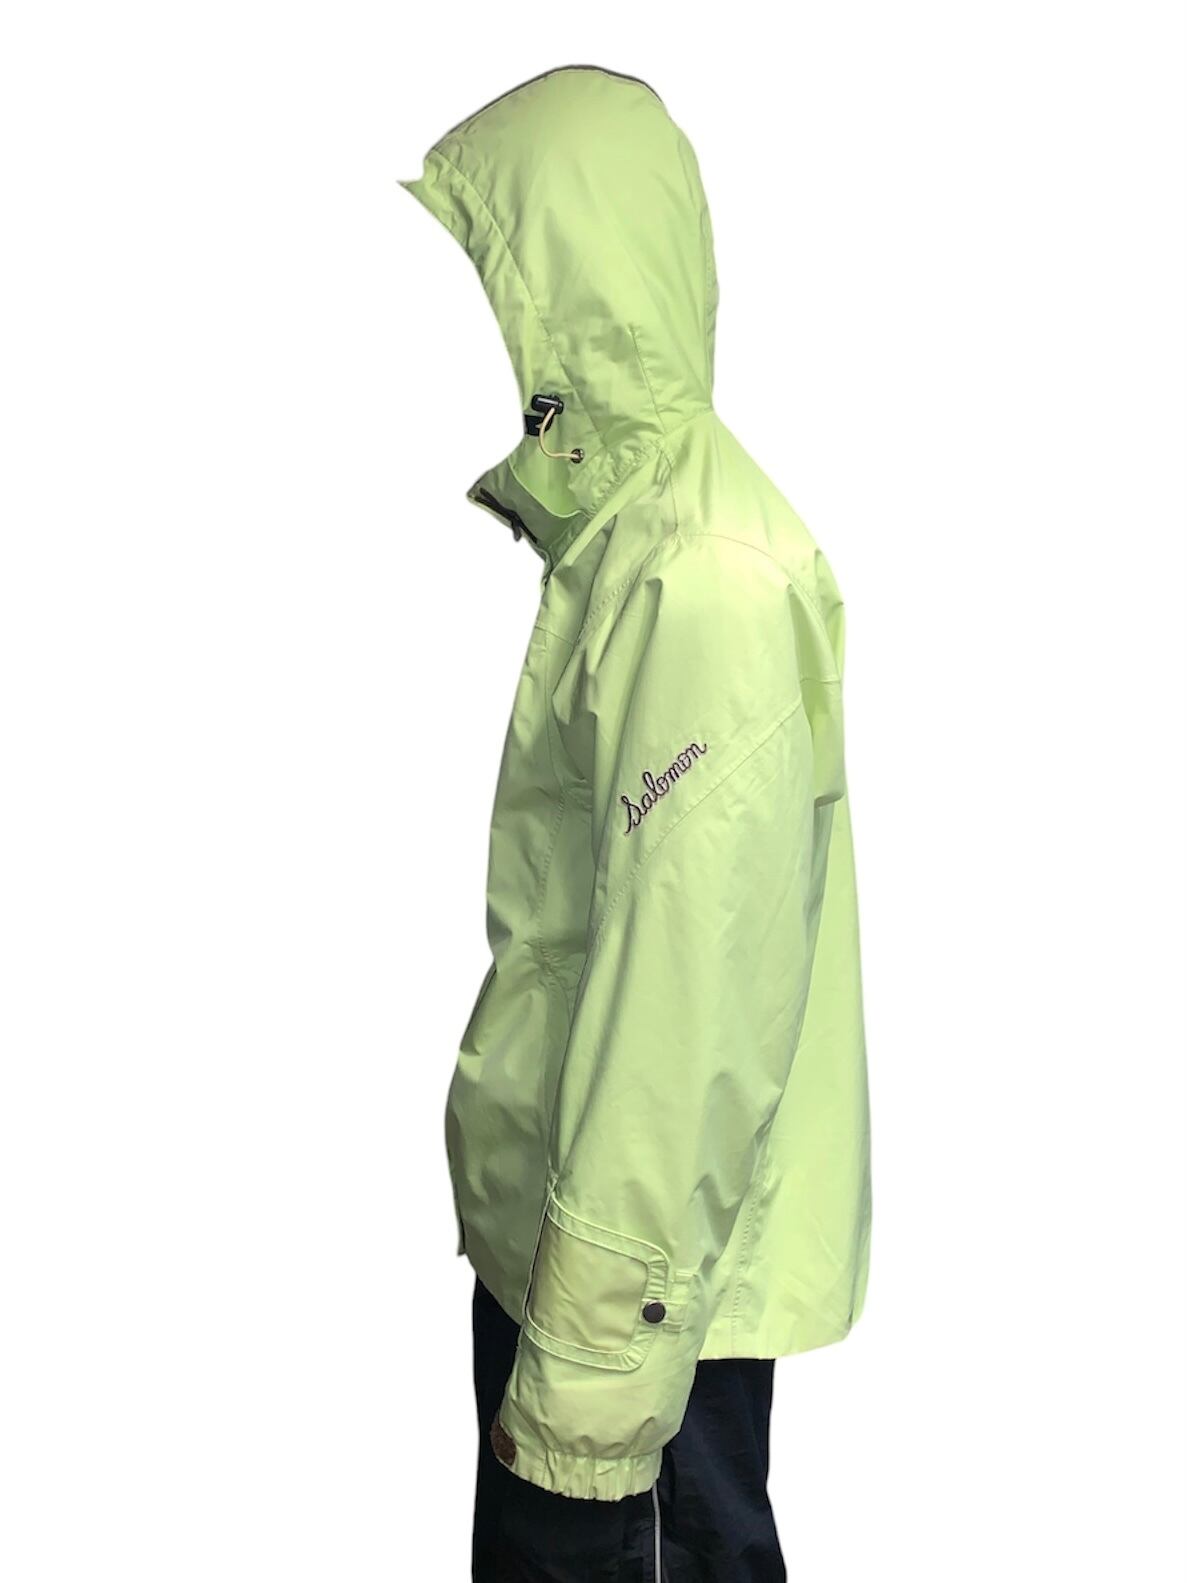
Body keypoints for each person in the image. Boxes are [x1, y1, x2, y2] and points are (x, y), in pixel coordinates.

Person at [403, 64, 872, 1581]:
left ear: (574, 307)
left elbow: (683, 1028)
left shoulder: (701, 584)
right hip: (585, 1269)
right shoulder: (628, 554)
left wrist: (589, 1401)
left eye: (502, 289)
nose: (489, 338)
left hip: (634, 1317)